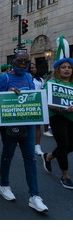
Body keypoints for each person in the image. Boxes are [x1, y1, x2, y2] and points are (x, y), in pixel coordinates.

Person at [0, 52, 48, 213]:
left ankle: (35, 196)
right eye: (20, 60)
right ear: (14, 61)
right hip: (10, 124)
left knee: (30, 158)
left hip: (28, 124)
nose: (23, 63)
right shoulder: (5, 78)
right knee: (8, 154)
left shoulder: (28, 78)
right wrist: (9, 93)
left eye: (26, 61)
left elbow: (33, 96)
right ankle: (4, 185)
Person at [42, 57, 73, 190]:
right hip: (57, 117)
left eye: (69, 67)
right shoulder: (52, 83)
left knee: (70, 145)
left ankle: (49, 156)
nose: (67, 70)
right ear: (58, 69)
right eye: (63, 67)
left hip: (72, 117)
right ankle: (65, 176)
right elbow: (47, 102)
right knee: (63, 145)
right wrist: (61, 108)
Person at [30, 63, 45, 155]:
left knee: (38, 126)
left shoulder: (40, 80)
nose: (34, 69)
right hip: (28, 104)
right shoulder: (26, 78)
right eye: (31, 68)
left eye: (35, 67)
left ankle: (37, 146)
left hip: (38, 104)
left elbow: (42, 91)